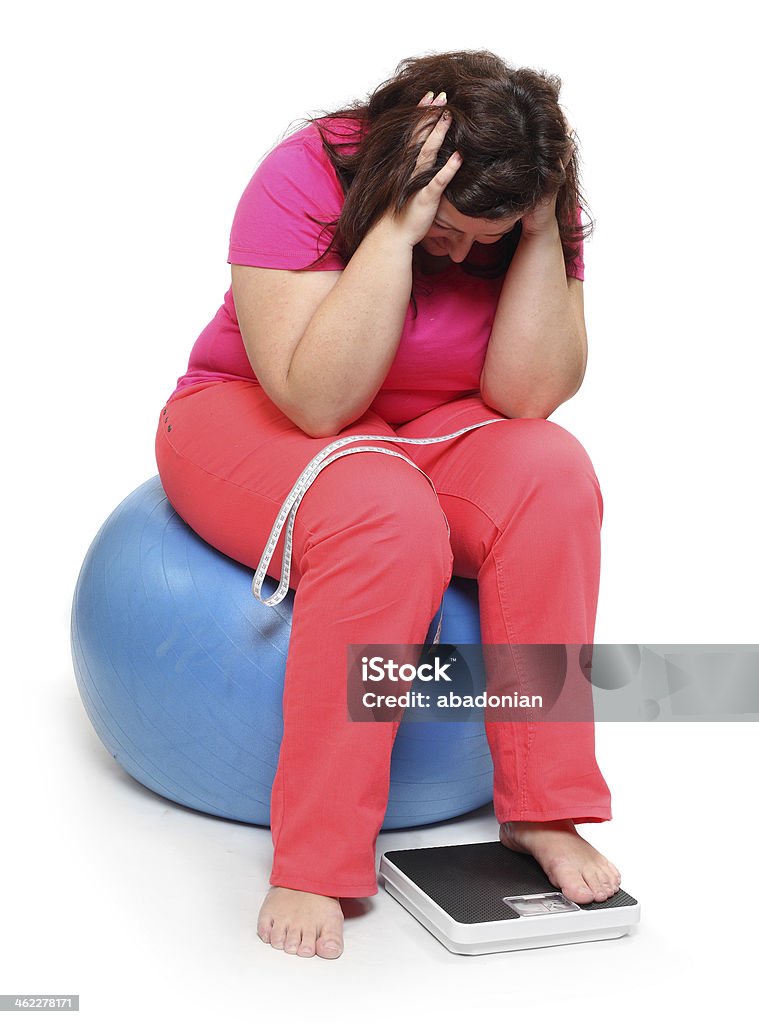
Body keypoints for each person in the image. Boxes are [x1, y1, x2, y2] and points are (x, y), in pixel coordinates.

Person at [154, 48, 622, 960]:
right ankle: (317, 858)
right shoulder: (308, 171)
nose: (462, 254)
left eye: (484, 240)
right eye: (452, 228)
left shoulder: (526, 203)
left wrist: (533, 234)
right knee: (387, 520)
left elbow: (527, 395)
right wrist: (399, 229)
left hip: (432, 431)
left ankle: (543, 809)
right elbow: (316, 401)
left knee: (554, 473)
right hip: (258, 413)